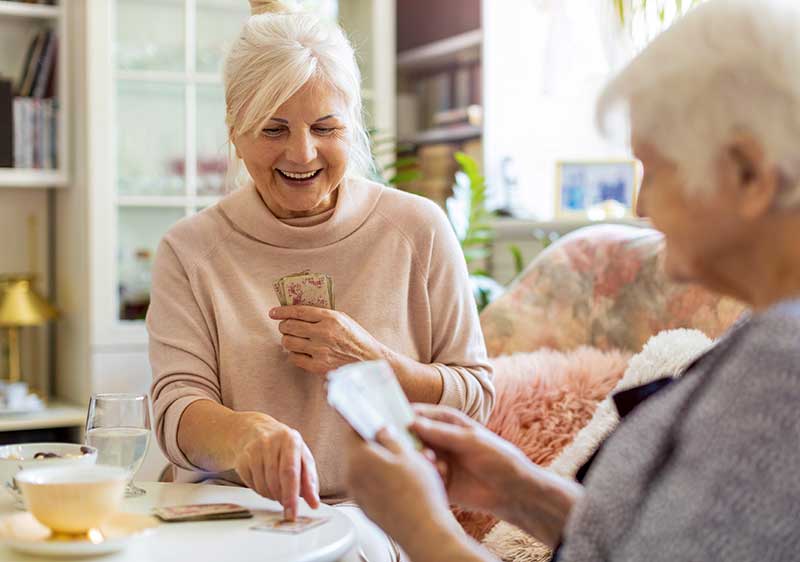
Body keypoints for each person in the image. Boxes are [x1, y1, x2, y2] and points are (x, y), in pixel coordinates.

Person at [345, 0, 800, 560]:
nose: (640, 204)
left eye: (655, 170)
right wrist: (516, 490)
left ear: (749, 174)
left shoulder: (783, 374)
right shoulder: (767, 338)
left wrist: (421, 529)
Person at [146, 1, 494, 560]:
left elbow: (477, 397)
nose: (302, 153)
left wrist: (379, 366)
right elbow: (174, 410)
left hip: (375, 511)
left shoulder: (417, 229)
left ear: (351, 124)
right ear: (236, 131)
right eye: (274, 129)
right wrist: (243, 436)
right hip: (229, 507)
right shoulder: (190, 250)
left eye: (325, 127)